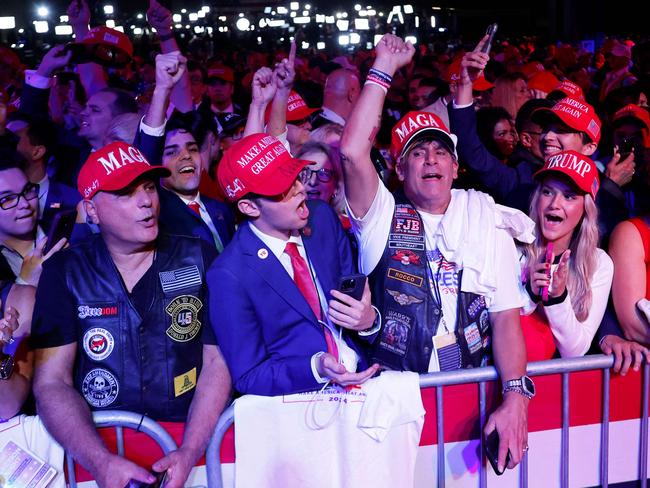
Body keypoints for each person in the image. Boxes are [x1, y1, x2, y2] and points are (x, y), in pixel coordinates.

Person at [340, 34, 531, 473]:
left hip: (470, 397)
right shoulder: (381, 218)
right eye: (418, 153)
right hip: (391, 404)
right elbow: (351, 153)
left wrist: (516, 396)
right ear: (398, 167)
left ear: (456, 167)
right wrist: (384, 67)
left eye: (441, 152)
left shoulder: (485, 219)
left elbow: (505, 317)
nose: (431, 161)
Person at [31, 141, 231, 488]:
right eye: (126, 193)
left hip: (194, 450)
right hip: (102, 455)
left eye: (150, 187)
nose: (146, 202)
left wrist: (189, 450)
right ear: (91, 210)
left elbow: (218, 363)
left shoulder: (198, 257)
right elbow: (51, 382)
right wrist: (100, 461)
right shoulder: (65, 272)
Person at [208, 132, 380, 396]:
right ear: (249, 207)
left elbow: (356, 304)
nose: (300, 188)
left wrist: (368, 321)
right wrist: (315, 368)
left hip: (364, 383)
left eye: (295, 176)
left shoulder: (322, 219)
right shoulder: (229, 274)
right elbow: (249, 375)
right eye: (281, 189)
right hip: (299, 406)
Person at [519, 151, 613, 360]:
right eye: (547, 192)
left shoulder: (598, 263)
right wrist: (529, 294)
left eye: (569, 196)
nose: (554, 204)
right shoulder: (513, 248)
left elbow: (575, 350)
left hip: (557, 387)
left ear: (585, 210)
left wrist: (558, 298)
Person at [296, 141, 345, 215]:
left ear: (336, 187)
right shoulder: (279, 224)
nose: (312, 182)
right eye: (305, 172)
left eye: (323, 173)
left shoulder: (348, 226)